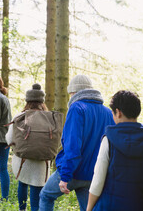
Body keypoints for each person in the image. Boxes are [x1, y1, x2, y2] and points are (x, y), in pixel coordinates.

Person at [39, 74, 115, 211]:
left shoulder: (77, 108)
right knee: (88, 208)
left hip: (74, 172)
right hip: (94, 175)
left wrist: (65, 176)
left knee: (45, 196)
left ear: (74, 92)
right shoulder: (108, 113)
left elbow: (72, 147)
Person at [86, 90, 143, 211]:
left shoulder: (109, 140)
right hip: (140, 205)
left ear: (118, 112)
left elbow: (97, 182)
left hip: (109, 206)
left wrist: (88, 208)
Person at [6, 83, 50, 211]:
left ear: (27, 101)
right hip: (42, 161)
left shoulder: (19, 117)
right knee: (37, 189)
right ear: (42, 101)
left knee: (23, 183)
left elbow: (9, 139)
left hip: (23, 160)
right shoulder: (49, 118)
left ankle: (22, 209)